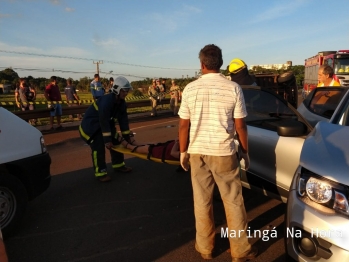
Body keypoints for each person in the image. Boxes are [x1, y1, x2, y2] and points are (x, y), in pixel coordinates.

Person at [178, 44, 257, 261]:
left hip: (197, 152)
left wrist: (183, 152)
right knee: (233, 201)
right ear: (221, 63)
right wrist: (245, 152)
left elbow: (184, 125)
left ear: (202, 64)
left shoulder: (190, 89)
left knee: (202, 201)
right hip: (224, 152)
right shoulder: (233, 88)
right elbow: (240, 126)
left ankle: (205, 248)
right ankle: (240, 250)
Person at [79, 76, 134, 182]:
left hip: (104, 125)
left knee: (117, 142)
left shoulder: (121, 103)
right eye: (124, 91)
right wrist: (107, 140)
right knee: (99, 147)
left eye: (127, 91)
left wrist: (127, 137)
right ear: (117, 89)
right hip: (90, 128)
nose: (126, 93)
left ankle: (118, 165)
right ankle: (101, 172)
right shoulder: (106, 101)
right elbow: (104, 121)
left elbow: (123, 121)